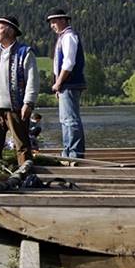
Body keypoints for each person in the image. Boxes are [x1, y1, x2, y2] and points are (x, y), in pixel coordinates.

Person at [0, 16, 39, 165]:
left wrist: (28, 103)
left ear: (10, 31)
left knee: (21, 145)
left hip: (16, 109)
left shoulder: (25, 53)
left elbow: (32, 80)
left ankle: (25, 174)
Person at [47, 8, 86, 158]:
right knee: (65, 120)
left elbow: (69, 62)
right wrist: (59, 86)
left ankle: (74, 153)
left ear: (63, 20)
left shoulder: (69, 37)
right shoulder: (63, 37)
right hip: (66, 85)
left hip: (70, 83)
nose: (52, 25)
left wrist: (58, 83)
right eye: (51, 22)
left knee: (70, 120)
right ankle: (68, 152)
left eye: (54, 21)